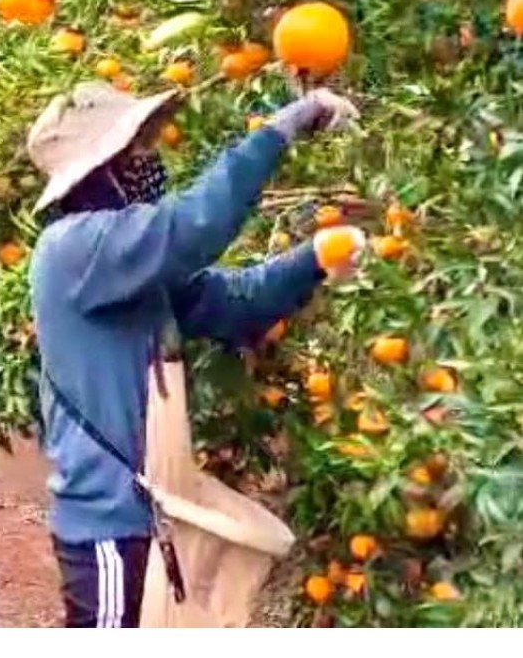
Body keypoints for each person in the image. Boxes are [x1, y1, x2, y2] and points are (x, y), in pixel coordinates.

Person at [26, 81, 363, 628]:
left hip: (154, 516)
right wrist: (282, 128)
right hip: (108, 528)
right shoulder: (76, 248)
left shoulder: (129, 267)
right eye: (137, 149)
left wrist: (314, 259)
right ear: (101, 169)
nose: (150, 160)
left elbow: (233, 305)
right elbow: (192, 226)